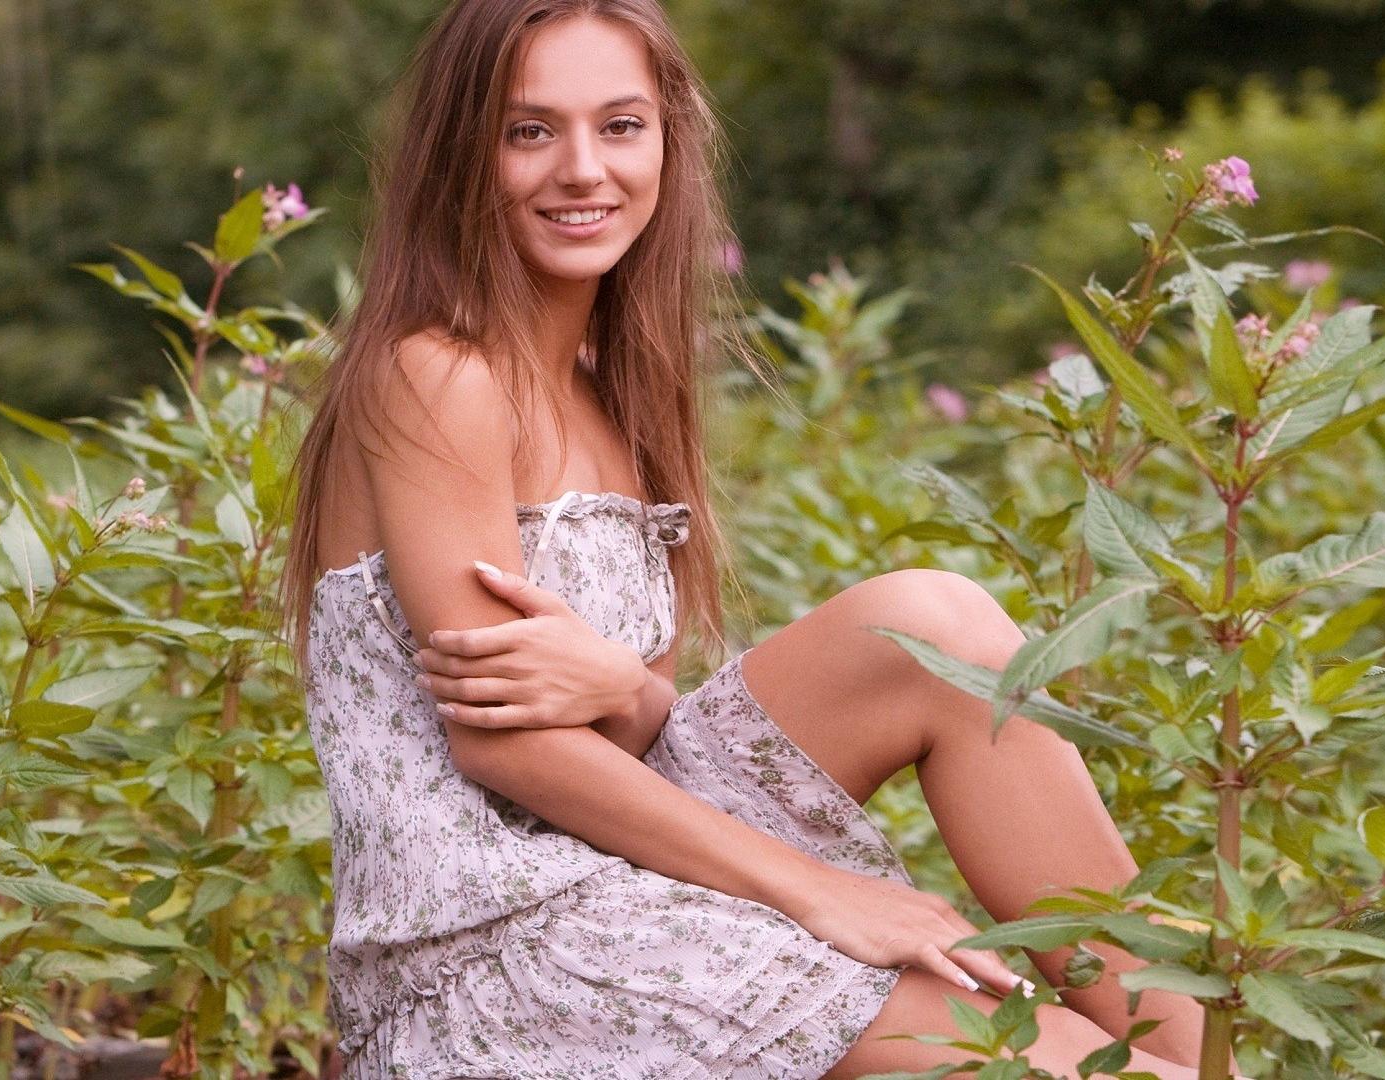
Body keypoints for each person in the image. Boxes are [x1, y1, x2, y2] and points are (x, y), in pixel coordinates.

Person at [280, 1, 1211, 1076]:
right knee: (1070, 1060)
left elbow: (632, 730)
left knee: (936, 625)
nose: (583, 169)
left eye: (620, 126)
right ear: (459, 152)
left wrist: (620, 687)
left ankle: (1213, 1045)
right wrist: (826, 894)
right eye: (528, 131)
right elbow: (504, 742)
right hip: (497, 947)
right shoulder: (436, 375)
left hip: (617, 867)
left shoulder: (610, 393)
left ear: (668, 141)